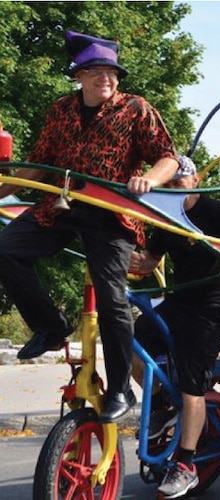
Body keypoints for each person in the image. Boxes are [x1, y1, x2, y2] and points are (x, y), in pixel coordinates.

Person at [0, 31, 179, 422]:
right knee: (6, 249)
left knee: (111, 297)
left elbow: (169, 159)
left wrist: (150, 179)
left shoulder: (135, 108)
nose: (106, 79)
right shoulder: (60, 110)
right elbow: (37, 164)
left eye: (111, 72)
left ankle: (119, 390)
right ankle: (51, 326)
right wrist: (3, 190)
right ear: (78, 76)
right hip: (61, 205)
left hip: (110, 214)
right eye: (96, 72)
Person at [129, 156, 220, 499]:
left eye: (180, 182)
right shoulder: (166, 217)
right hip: (179, 302)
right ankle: (163, 404)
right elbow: (150, 261)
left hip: (212, 309)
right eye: (169, 183)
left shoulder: (212, 210)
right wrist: (134, 262)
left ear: (196, 180)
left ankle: (186, 465)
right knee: (133, 342)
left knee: (193, 383)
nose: (174, 188)